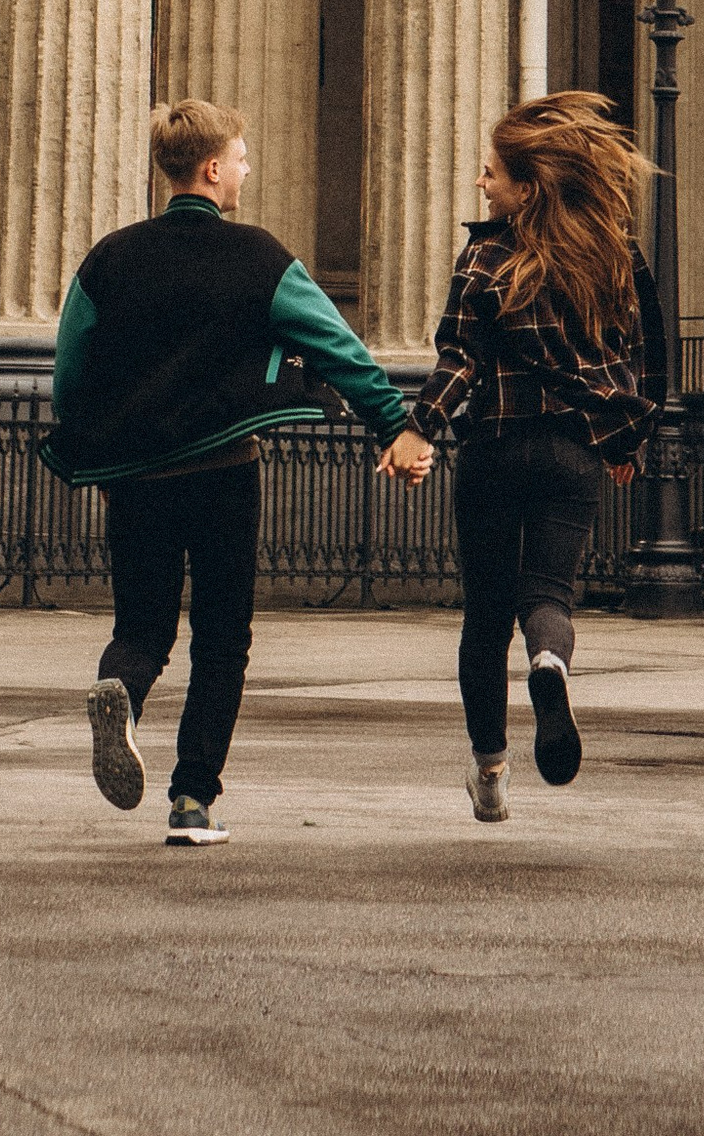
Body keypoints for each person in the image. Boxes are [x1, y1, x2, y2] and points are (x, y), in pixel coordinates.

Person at [46, 98, 429, 847]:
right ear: (213, 169)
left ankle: (120, 689)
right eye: (242, 159)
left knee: (143, 626)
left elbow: (71, 368)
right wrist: (395, 423)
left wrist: (91, 433)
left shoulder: (111, 257)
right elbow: (340, 349)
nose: (247, 170)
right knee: (222, 637)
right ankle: (193, 801)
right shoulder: (260, 258)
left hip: (136, 475)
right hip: (224, 470)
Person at [405, 92, 662, 824]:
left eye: (491, 175)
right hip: (573, 452)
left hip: (493, 449)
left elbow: (460, 358)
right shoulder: (613, 253)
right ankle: (549, 665)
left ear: (526, 187)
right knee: (547, 596)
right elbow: (646, 359)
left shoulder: (484, 255)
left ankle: (490, 772)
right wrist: (627, 439)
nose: (482, 186)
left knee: (484, 618)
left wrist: (421, 425)